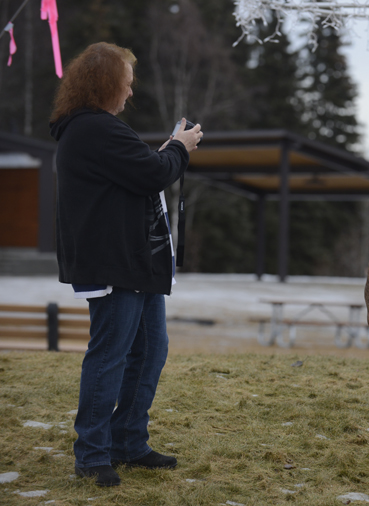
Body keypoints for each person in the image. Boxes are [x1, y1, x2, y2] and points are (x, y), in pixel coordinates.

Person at [49, 42, 203, 487]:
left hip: (134, 264)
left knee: (150, 350)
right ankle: (93, 455)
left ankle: (128, 442)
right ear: (106, 85)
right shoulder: (95, 129)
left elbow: (140, 170)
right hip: (116, 264)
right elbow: (156, 173)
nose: (130, 93)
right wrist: (181, 145)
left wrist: (166, 151)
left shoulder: (94, 130)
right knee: (110, 357)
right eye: (127, 84)